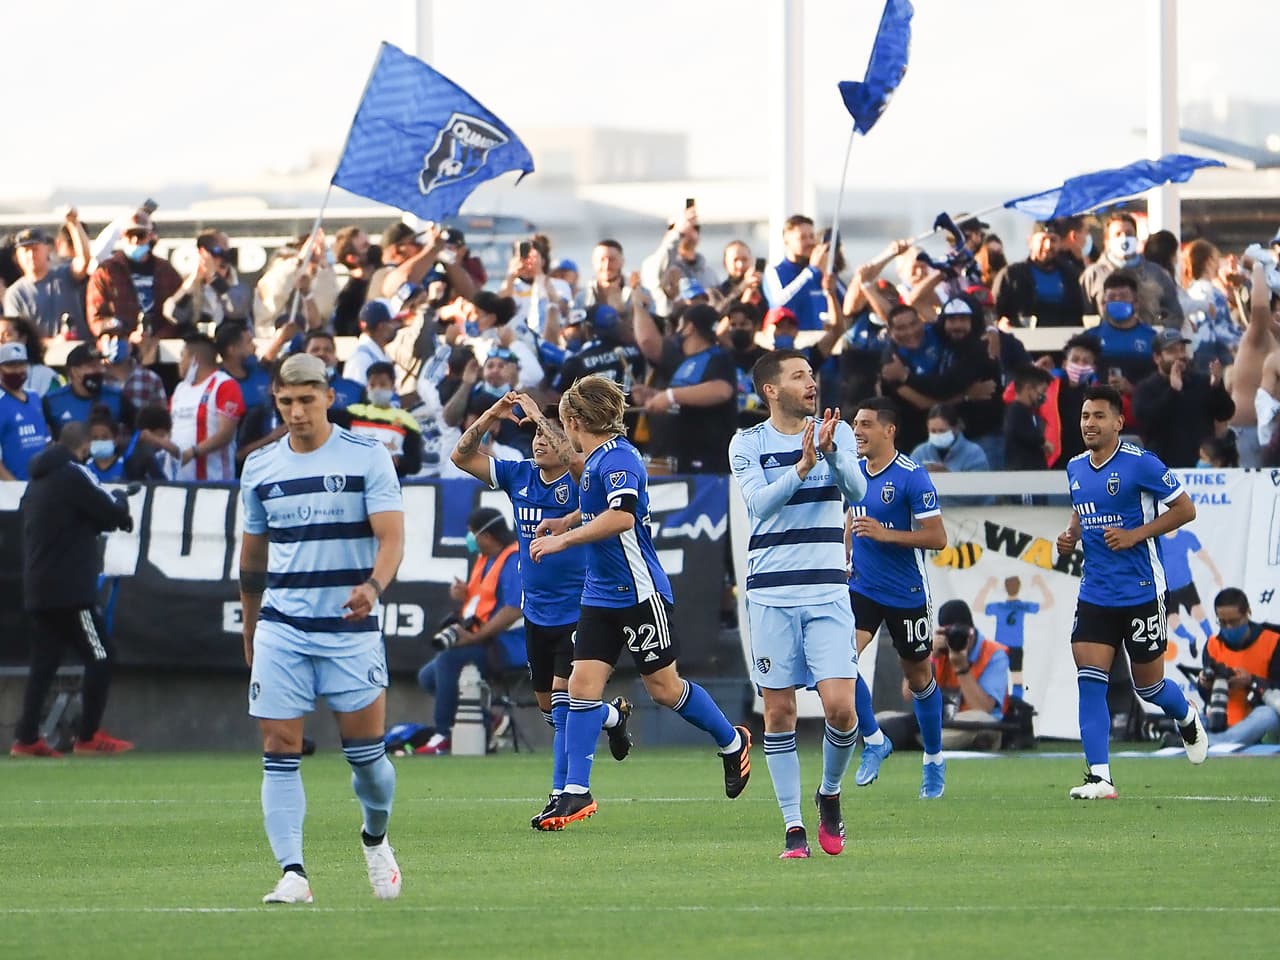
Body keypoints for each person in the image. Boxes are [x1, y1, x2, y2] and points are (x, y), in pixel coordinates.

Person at [529, 375, 751, 829]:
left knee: (664, 689)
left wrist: (565, 540)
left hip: (638, 593)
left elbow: (622, 516)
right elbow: (596, 508)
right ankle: (576, 792)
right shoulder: (593, 460)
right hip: (599, 594)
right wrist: (565, 519)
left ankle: (733, 742)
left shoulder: (620, 459)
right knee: (578, 689)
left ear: (573, 420)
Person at [239, 352, 406, 903]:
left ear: (329, 397)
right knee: (279, 746)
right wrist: (250, 628)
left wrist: (373, 588)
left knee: (369, 764)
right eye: (286, 402)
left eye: (306, 400)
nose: (296, 412)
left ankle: (375, 838)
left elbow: (391, 539)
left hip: (349, 631)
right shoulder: (259, 466)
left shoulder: (367, 456)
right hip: (282, 628)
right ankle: (294, 874)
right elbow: (252, 562)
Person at [450, 391, 633, 825]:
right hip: (537, 612)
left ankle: (562, 794)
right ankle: (612, 716)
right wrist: (492, 414)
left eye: (546, 435)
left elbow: (577, 462)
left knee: (566, 701)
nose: (538, 441)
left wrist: (538, 415)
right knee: (550, 706)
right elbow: (461, 457)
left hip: (581, 607)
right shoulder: (519, 476)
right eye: (533, 434)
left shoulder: (580, 479)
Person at [729, 350, 868, 858]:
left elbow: (859, 490)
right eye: (799, 376)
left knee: (841, 709)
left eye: (812, 375)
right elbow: (759, 506)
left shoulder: (840, 432)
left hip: (828, 591)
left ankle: (828, 794)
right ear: (771, 389)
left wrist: (830, 456)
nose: (811, 383)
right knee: (780, 712)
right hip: (771, 593)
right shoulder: (747, 443)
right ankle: (793, 828)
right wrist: (803, 466)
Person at [1055, 384, 1207, 800]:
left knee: (1149, 687)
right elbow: (1080, 506)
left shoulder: (1141, 464)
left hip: (1142, 590)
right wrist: (1070, 536)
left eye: (1098, 416)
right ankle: (1100, 777)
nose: (1089, 423)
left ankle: (1186, 714)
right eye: (1085, 416)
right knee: (1090, 679)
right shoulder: (1074, 467)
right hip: (1096, 592)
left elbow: (1185, 508)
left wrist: (1135, 534)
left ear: (1119, 423)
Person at [843, 397, 949, 798]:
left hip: (907, 593)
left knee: (920, 678)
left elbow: (938, 538)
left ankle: (934, 760)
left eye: (866, 424)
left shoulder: (912, 476)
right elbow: (852, 516)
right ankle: (873, 739)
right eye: (856, 423)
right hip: (863, 588)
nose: (857, 431)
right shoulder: (853, 471)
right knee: (837, 658)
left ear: (889, 430)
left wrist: (888, 534)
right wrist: (847, 550)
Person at [10, 422, 135, 758]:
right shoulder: (74, 474)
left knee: (44, 664)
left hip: (38, 587)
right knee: (101, 656)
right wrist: (122, 501)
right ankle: (88, 736)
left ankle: (25, 738)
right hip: (70, 591)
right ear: (84, 448)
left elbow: (64, 521)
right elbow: (109, 511)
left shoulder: (36, 480)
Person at [414, 507, 526, 755]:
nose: (470, 539)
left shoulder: (514, 559)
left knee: (448, 659)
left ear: (486, 536)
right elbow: (484, 603)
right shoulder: (487, 559)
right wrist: (464, 594)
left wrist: (475, 637)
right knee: (427, 676)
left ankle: (443, 735)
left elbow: (513, 610)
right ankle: (487, 720)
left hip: (511, 645)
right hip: (485, 640)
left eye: (472, 533)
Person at [876, 600, 1010, 751]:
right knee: (880, 719)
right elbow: (908, 694)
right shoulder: (936, 652)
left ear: (972, 632)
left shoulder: (993, 654)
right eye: (950, 634)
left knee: (979, 721)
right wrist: (925, 658)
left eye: (962, 633)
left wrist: (961, 667)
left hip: (970, 722)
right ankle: (918, 736)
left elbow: (983, 709)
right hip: (939, 719)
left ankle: (912, 738)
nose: (956, 639)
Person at [1132, 329, 1235, 468]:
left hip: (1200, 467)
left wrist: (1217, 387)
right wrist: (1173, 391)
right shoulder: (1146, 388)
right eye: (1172, 351)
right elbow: (1146, 422)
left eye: (1182, 350)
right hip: (1164, 468)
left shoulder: (1201, 381)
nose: (1180, 355)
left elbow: (1225, 413)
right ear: (1157, 358)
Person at [1190, 589, 1280, 747]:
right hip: (1220, 717)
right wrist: (1205, 684)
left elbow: (1277, 691)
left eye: (1234, 621)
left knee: (1269, 715)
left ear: (1248, 613)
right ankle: (1225, 740)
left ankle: (1208, 743)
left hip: (1258, 716)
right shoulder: (1212, 645)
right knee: (1184, 714)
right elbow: (1208, 697)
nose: (1229, 627)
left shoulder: (1273, 641)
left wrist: (1251, 681)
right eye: (1223, 622)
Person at [86, 209, 183, 338]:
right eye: (130, 234)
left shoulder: (166, 271)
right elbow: (96, 317)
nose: (135, 240)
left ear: (150, 236)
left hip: (160, 345)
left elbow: (179, 313)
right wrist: (121, 336)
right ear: (122, 236)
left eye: (140, 234)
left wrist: (157, 338)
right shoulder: (105, 271)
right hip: (118, 345)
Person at [1080, 212, 1184, 327]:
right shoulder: (1092, 275)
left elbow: (1175, 313)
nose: (1124, 238)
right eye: (1118, 234)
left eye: (1129, 233)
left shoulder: (1156, 273)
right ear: (1107, 241)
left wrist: (1159, 332)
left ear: (1136, 238)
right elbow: (1084, 315)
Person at [168, 334, 245, 482]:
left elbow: (225, 434)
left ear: (194, 359)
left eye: (182, 356)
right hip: (177, 480)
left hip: (214, 481)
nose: (179, 362)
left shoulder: (225, 385)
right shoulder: (180, 388)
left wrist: (192, 453)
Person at [4, 221, 90, 339]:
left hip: (78, 351)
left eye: (35, 249)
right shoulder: (15, 294)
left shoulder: (65, 274)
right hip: (40, 355)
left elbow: (84, 260)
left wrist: (73, 224)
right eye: (26, 250)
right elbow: (16, 335)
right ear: (17, 257)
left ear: (47, 250)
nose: (31, 255)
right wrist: (53, 342)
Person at [992, 222, 1085, 327]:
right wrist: (1001, 324)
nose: (1048, 246)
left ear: (1059, 243)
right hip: (1023, 338)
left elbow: (1079, 314)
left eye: (1053, 240)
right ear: (1030, 242)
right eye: (1043, 240)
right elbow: (995, 312)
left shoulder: (1070, 275)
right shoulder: (1011, 275)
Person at [975, 575, 1053, 699]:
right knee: (1017, 678)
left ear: (1005, 588)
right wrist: (1040, 583)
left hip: (1000, 648)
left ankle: (1000, 704)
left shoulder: (1000, 607)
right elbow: (1049, 602)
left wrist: (988, 585)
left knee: (999, 677)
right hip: (1015, 648)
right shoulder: (1023, 606)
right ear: (1019, 587)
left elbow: (977, 606)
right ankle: (1016, 704)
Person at [343, 362, 422, 478]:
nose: (377, 389)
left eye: (383, 384)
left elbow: (415, 464)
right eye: (372, 385)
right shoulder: (352, 413)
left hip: (389, 481)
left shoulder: (407, 420)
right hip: (355, 478)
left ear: (392, 386)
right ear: (367, 387)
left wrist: (400, 462)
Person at [43, 344, 131, 439]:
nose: (99, 370)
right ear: (74, 372)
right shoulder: (53, 401)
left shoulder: (116, 397)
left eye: (100, 365)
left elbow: (137, 429)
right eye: (92, 366)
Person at [1160, 528, 1223, 659]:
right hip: (1167, 589)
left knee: (1199, 614)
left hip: (1186, 585)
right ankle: (1190, 639)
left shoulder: (1186, 536)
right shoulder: (1158, 538)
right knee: (1173, 622)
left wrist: (1216, 573)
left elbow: (1202, 555)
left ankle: (1213, 644)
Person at [763, 215, 831, 331]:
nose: (810, 242)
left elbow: (844, 303)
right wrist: (811, 271)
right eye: (802, 238)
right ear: (786, 240)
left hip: (821, 344)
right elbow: (780, 304)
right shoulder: (774, 272)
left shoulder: (820, 272)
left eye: (811, 236)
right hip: (792, 345)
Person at [0, 342, 52, 481]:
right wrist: (14, 487)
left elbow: (45, 442)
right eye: (10, 365)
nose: (17, 370)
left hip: (39, 486)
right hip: (9, 490)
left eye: (21, 364)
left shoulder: (34, 397)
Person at [908, 403, 991, 475]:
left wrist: (949, 475)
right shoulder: (919, 453)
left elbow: (979, 487)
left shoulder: (974, 453)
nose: (937, 435)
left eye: (942, 431)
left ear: (955, 428)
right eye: (933, 431)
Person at [1003, 366, 1053, 472]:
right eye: (1043, 391)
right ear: (1028, 388)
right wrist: (1043, 442)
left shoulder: (1029, 412)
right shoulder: (1016, 410)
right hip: (1022, 471)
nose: (1044, 396)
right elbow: (1024, 432)